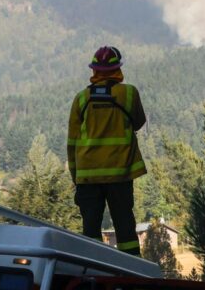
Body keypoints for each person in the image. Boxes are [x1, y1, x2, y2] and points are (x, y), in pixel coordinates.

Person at [67, 46, 147, 256]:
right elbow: (139, 122)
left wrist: (76, 178)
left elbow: (72, 143)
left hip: (87, 177)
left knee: (91, 229)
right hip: (119, 174)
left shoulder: (81, 99)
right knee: (124, 225)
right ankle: (131, 271)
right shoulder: (129, 93)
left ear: (94, 70)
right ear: (117, 68)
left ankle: (94, 270)